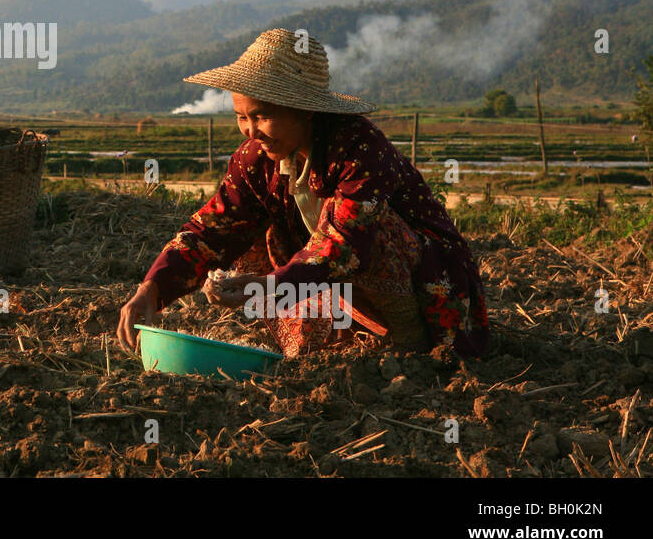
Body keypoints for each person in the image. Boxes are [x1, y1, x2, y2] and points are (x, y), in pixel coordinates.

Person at [116, 28, 490, 359]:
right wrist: (153, 288)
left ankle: (414, 345)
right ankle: (324, 339)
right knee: (247, 235)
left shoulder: (360, 149)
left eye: (262, 116)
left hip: (426, 279)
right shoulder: (255, 160)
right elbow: (214, 226)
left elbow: (344, 244)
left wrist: (269, 287)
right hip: (332, 281)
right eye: (241, 116)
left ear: (305, 111)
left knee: (377, 231)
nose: (250, 131)